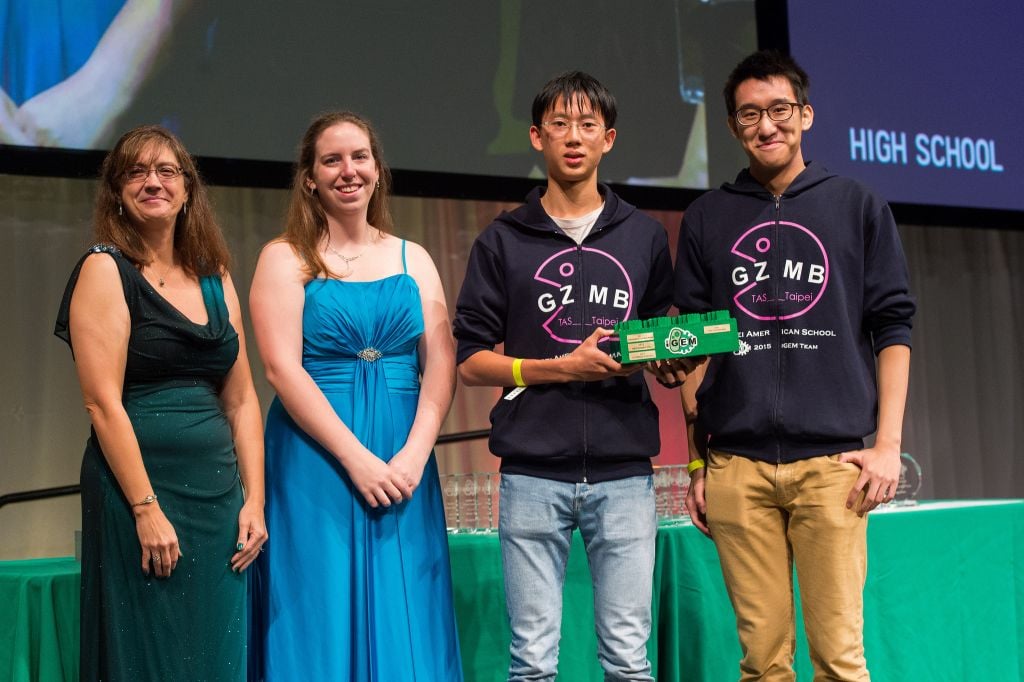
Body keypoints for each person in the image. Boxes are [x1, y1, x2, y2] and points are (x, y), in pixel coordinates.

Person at [675, 50, 916, 681]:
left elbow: (894, 325)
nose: (767, 126)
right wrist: (700, 460)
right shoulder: (708, 217)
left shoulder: (857, 205)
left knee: (839, 659)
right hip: (736, 468)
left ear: (805, 115)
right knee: (762, 663)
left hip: (832, 466)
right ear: (733, 126)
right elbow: (691, 341)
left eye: (780, 110)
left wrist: (887, 445)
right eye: (749, 114)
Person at [452, 71, 692, 681]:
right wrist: (558, 369)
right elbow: (472, 360)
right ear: (536, 137)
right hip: (532, 471)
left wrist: (670, 363)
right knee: (532, 663)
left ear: (609, 139)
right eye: (559, 124)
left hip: (624, 473)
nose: (573, 137)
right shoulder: (503, 240)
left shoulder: (642, 235)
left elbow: (663, 339)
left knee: (628, 660)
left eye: (588, 125)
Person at [247, 111, 462, 680]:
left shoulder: (412, 257)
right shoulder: (284, 257)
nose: (349, 171)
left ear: (377, 168)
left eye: (360, 156)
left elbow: (440, 362)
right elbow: (281, 369)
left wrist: (414, 454)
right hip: (317, 455)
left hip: (404, 454)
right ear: (309, 177)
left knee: (407, 600)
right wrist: (356, 459)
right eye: (332, 160)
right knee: (317, 599)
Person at [54, 124, 267, 680]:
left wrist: (255, 501)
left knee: (215, 650)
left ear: (188, 189)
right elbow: (102, 404)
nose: (154, 182)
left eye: (167, 171)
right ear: (117, 190)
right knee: (148, 651)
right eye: (137, 171)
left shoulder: (216, 278)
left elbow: (243, 401)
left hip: (219, 498)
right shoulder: (105, 269)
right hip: (139, 494)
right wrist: (146, 510)